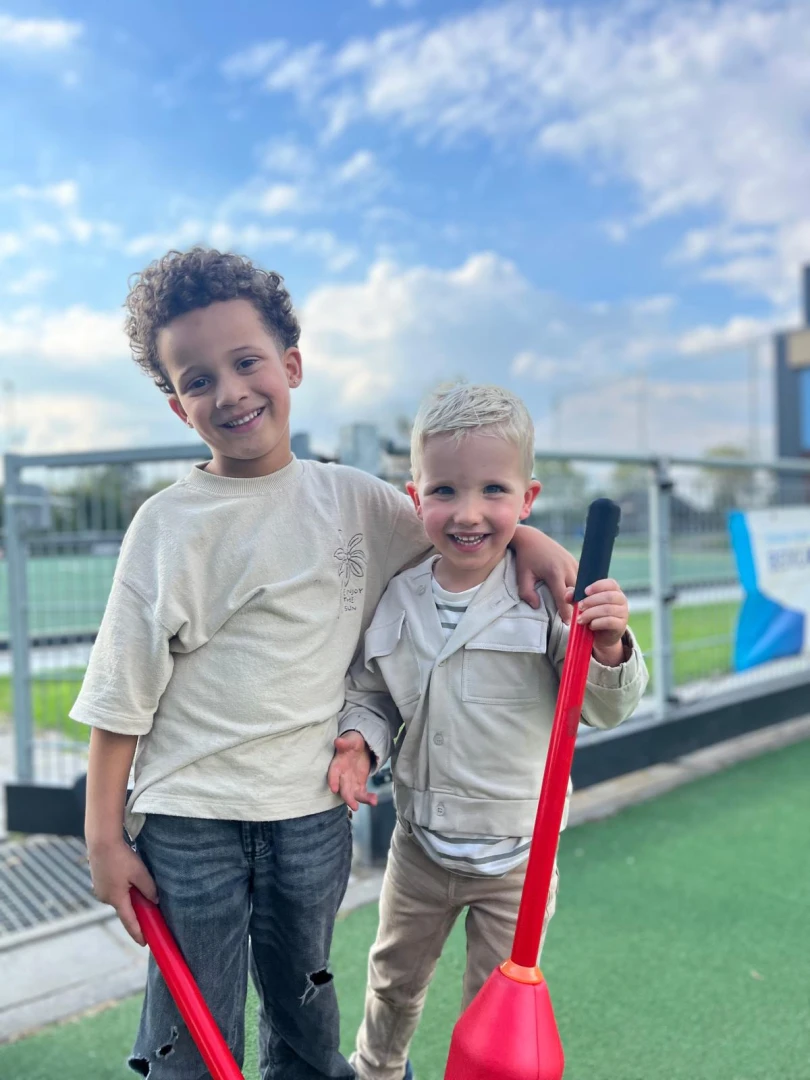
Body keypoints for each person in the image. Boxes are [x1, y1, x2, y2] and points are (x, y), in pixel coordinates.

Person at [70, 249, 577, 1079]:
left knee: (307, 1018)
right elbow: (119, 695)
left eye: (247, 362)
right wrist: (102, 840)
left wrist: (528, 533)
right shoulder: (166, 527)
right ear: (176, 405)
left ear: (292, 366)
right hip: (188, 820)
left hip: (309, 817)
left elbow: (462, 521)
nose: (230, 392)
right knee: (191, 1032)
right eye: (199, 379)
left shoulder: (357, 500)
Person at [329, 382, 648, 1080]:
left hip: (517, 860)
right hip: (420, 847)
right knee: (392, 981)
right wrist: (360, 740)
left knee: (492, 1003)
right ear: (415, 496)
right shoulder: (403, 595)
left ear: (527, 499)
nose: (468, 513)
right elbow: (375, 692)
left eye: (493, 491)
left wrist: (613, 646)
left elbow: (602, 707)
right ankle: (378, 1070)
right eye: (444, 490)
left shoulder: (550, 599)